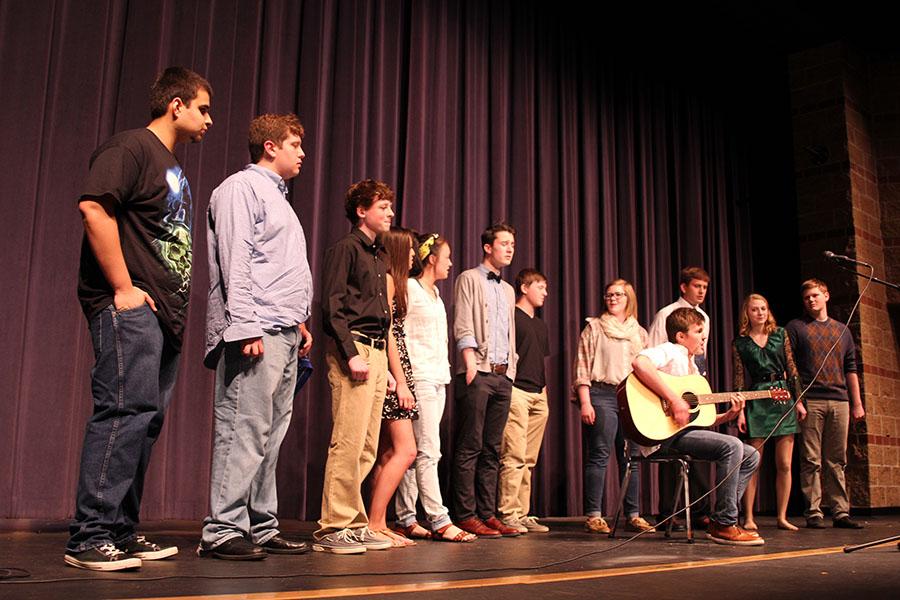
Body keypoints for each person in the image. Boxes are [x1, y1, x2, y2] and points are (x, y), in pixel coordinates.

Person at [66, 67, 212, 570]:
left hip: (163, 316)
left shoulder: (172, 165)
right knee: (124, 413)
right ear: (176, 105)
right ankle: (88, 536)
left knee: (145, 421)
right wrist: (124, 289)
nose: (208, 119)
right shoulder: (130, 148)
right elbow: (94, 209)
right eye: (203, 108)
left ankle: (122, 530)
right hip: (130, 306)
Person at [198, 114, 312, 560]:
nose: (302, 153)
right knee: (243, 427)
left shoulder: (279, 198)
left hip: (282, 329)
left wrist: (299, 321)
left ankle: (261, 525)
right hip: (256, 328)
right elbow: (236, 260)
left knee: (270, 434)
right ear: (270, 146)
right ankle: (223, 529)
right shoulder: (239, 190)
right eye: (295, 144)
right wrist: (243, 326)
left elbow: (276, 268)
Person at [631, 308, 764, 546]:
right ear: (681, 336)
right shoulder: (671, 350)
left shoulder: (693, 370)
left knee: (751, 455)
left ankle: (719, 518)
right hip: (664, 436)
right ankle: (725, 524)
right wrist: (673, 399)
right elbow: (639, 362)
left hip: (684, 432)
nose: (704, 337)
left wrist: (729, 415)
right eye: (698, 331)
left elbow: (700, 419)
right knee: (733, 446)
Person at [314, 179, 396, 554]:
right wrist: (350, 354)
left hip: (377, 353)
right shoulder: (346, 249)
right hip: (356, 350)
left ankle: (354, 520)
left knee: (366, 445)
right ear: (362, 211)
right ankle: (333, 525)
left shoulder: (379, 256)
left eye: (390, 207)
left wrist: (387, 368)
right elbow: (332, 307)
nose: (390, 213)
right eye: (382, 207)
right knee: (348, 441)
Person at [394, 234, 476, 543]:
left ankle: (405, 517)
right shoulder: (412, 290)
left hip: (438, 377)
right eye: (447, 257)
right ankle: (439, 519)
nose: (451, 262)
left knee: (417, 453)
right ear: (431, 259)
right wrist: (401, 378)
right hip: (419, 377)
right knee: (428, 451)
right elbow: (397, 332)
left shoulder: (436, 294)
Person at [452, 222, 521, 538]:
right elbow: (464, 321)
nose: (509, 248)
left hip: (502, 375)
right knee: (471, 445)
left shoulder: (507, 289)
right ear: (488, 247)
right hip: (477, 371)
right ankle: (465, 514)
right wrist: (468, 364)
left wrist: (511, 372)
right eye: (504, 243)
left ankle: (487, 513)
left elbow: (509, 333)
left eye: (512, 244)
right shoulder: (469, 278)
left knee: (493, 448)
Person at [573, 279, 656, 535]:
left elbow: (649, 371)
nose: (612, 299)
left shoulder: (639, 333)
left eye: (618, 295)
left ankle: (633, 514)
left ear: (629, 298)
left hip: (632, 398)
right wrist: (585, 401)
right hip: (602, 394)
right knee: (599, 454)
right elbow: (582, 367)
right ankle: (594, 515)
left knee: (631, 457)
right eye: (609, 295)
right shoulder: (594, 328)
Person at [786, 279, 866, 529]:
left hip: (840, 400)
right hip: (812, 400)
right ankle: (814, 511)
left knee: (837, 458)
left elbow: (851, 368)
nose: (811, 300)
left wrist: (857, 403)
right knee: (811, 458)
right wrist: (797, 400)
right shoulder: (796, 327)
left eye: (815, 295)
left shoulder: (842, 330)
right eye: (807, 297)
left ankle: (841, 511)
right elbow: (791, 369)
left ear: (826, 296)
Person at [732, 293, 805, 532]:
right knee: (754, 462)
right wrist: (741, 411)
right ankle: (749, 517)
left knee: (784, 462)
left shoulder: (780, 334)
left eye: (763, 308)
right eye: (755, 309)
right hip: (757, 398)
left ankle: (782, 517)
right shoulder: (740, 342)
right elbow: (739, 379)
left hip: (782, 396)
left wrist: (799, 401)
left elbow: (791, 368)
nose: (760, 313)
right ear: (747, 313)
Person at [366, 228, 420, 548]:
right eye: (410, 250)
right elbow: (387, 335)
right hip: (394, 371)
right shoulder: (386, 279)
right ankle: (374, 522)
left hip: (400, 368)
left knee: (388, 453)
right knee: (406, 450)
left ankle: (379, 521)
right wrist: (399, 380)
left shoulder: (396, 283)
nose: (414, 255)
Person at [646, 266, 712, 527]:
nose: (701, 292)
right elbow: (651, 352)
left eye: (705, 288)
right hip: (667, 390)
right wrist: (669, 395)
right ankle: (668, 513)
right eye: (697, 286)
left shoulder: (704, 316)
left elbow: (700, 353)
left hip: (693, 383)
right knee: (672, 455)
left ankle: (697, 512)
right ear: (684, 287)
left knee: (698, 450)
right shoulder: (667, 314)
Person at [497, 269, 552, 534]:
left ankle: (523, 512)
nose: (545, 293)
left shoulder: (540, 324)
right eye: (540, 287)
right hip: (517, 391)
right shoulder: (512, 318)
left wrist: (545, 394)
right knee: (514, 455)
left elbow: (540, 361)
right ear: (524, 288)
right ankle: (508, 513)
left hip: (538, 394)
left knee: (529, 459)